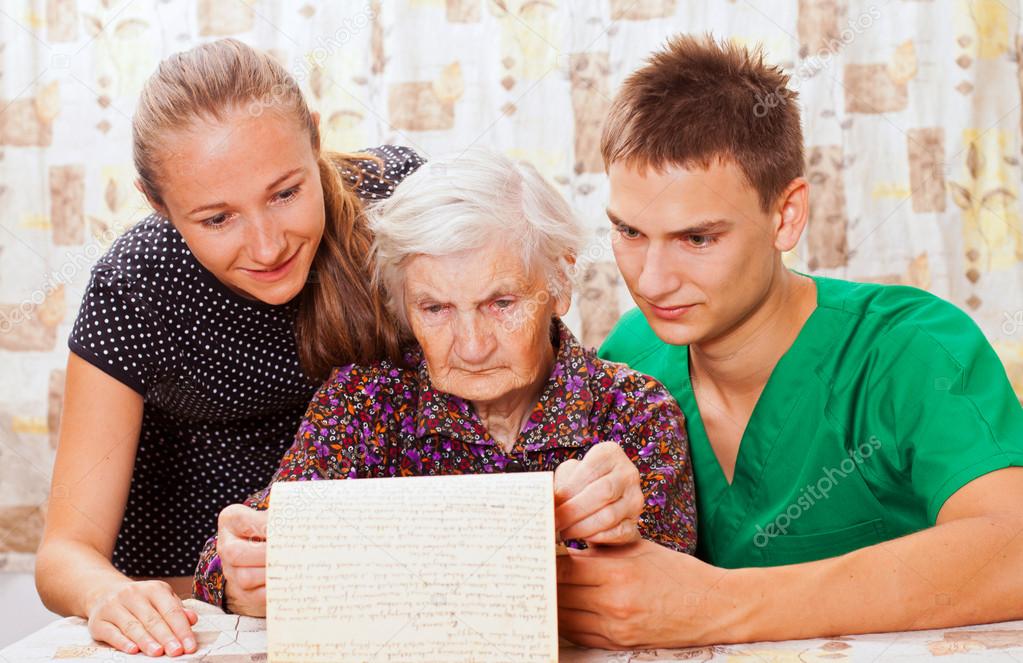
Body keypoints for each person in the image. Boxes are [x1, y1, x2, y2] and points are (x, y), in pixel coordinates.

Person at [557, 34, 1023, 649]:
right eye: (630, 232)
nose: (651, 280)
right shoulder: (627, 360)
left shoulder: (912, 349)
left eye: (697, 239)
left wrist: (718, 606)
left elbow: (1013, 546)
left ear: (786, 216)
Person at [35, 38, 422, 657]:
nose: (268, 247)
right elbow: (65, 554)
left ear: (314, 139)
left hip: (381, 588)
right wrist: (107, 594)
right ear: (156, 204)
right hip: (197, 608)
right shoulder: (134, 288)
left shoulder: (401, 200)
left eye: (286, 192)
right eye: (217, 219)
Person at [191, 147, 698, 615]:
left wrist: (622, 536)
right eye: (435, 309)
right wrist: (240, 573)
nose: (472, 345)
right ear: (404, 306)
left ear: (560, 283)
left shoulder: (635, 412)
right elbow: (233, 553)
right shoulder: (366, 401)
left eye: (502, 304)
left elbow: (664, 593)